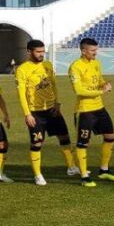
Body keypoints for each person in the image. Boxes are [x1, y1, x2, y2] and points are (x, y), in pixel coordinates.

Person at [14, 40, 76, 186]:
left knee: (64, 137)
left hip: (52, 109)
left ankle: (72, 167)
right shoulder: (22, 69)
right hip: (35, 112)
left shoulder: (47, 65)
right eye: (38, 52)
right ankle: (37, 175)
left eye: (43, 51)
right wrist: (27, 114)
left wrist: (57, 102)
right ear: (29, 52)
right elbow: (21, 94)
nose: (42, 54)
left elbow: (53, 84)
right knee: (37, 142)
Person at [68, 38, 114, 183]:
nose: (95, 53)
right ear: (83, 51)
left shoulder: (96, 63)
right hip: (85, 110)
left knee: (110, 136)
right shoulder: (75, 67)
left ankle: (104, 170)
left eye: (96, 50)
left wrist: (105, 84)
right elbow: (79, 91)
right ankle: (84, 176)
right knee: (83, 143)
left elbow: (99, 79)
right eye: (92, 50)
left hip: (99, 108)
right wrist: (101, 92)